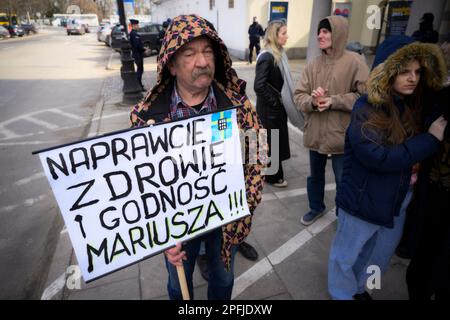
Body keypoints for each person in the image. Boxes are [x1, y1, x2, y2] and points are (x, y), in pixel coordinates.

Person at [130, 14, 264, 300]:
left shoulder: (241, 107)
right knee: (178, 287)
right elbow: (139, 189)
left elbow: (262, 157)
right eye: (189, 54)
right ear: (172, 65)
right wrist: (160, 235)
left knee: (224, 279)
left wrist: (243, 212)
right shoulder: (146, 118)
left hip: (224, 223)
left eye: (207, 52)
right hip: (177, 229)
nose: (202, 62)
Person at [327, 40, 448, 300]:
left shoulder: (413, 104)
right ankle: (341, 294)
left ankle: (361, 289)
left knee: (377, 257)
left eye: (417, 72)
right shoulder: (366, 107)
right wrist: (429, 140)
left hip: (397, 201)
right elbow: (378, 157)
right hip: (362, 202)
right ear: (387, 71)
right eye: (405, 71)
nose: (412, 78)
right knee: (346, 256)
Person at [294, 16, 369, 226]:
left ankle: (343, 215)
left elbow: (366, 96)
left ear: (338, 33)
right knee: (315, 176)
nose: (320, 35)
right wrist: (313, 101)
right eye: (319, 31)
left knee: (343, 179)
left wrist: (334, 101)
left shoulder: (355, 61)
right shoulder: (314, 64)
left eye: (326, 31)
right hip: (315, 132)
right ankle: (316, 207)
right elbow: (298, 95)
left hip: (342, 134)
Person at [254, 19, 291, 187]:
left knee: (270, 142)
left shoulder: (277, 54)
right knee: (271, 142)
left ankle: (269, 173)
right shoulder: (267, 57)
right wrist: (275, 102)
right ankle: (273, 177)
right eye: (283, 33)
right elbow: (258, 86)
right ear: (275, 35)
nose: (287, 36)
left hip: (272, 109)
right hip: (270, 110)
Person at [129, 19, 146, 91]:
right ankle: (138, 86)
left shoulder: (134, 33)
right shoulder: (133, 34)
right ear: (133, 25)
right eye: (137, 25)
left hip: (138, 55)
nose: (138, 26)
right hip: (137, 55)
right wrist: (143, 48)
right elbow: (136, 46)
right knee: (140, 70)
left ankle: (139, 84)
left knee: (140, 70)